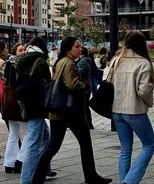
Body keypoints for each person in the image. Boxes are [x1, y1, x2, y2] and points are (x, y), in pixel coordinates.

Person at [32, 36, 112, 184]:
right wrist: (86, 86)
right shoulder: (69, 63)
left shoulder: (60, 62)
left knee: (53, 146)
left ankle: (37, 178)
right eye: (77, 46)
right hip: (71, 111)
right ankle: (90, 176)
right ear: (69, 49)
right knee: (84, 144)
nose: (80, 48)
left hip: (59, 111)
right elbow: (72, 84)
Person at [111, 31, 154, 184]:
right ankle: (129, 181)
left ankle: (124, 180)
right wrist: (149, 102)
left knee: (125, 148)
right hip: (134, 110)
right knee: (149, 145)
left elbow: (108, 84)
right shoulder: (143, 63)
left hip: (117, 110)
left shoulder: (116, 60)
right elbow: (144, 90)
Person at [14, 37, 54, 184]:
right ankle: (27, 179)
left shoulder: (20, 60)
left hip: (25, 102)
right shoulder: (40, 62)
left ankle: (45, 169)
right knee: (33, 142)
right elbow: (48, 85)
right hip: (37, 105)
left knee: (45, 136)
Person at [3, 43, 27, 174]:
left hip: (9, 105)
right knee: (30, 133)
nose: (23, 52)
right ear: (15, 52)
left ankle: (9, 163)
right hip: (17, 105)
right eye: (20, 50)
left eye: (24, 50)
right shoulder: (17, 65)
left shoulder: (8, 64)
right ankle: (20, 160)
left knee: (13, 134)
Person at [77, 46, 95, 130]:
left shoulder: (83, 61)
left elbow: (80, 73)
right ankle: (88, 124)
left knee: (84, 105)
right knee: (84, 105)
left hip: (84, 87)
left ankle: (88, 124)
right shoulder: (85, 60)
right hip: (86, 86)